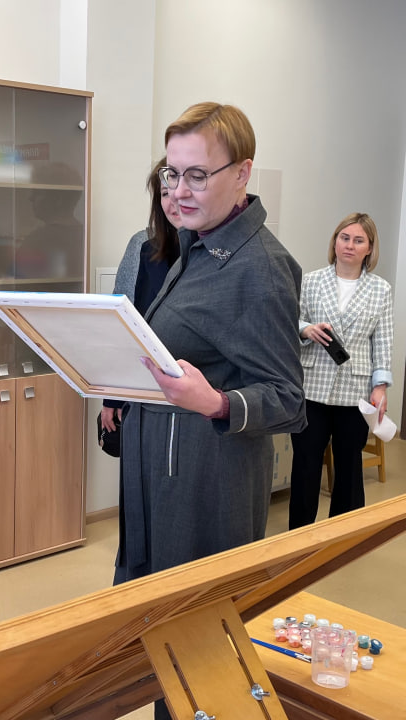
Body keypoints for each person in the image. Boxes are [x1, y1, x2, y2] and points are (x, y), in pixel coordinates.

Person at [122, 101, 306, 584]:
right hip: (158, 465)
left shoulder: (260, 268)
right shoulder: (196, 244)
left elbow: (289, 401)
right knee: (147, 605)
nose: (179, 191)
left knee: (191, 610)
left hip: (206, 481)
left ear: (242, 173)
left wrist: (216, 402)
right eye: (172, 173)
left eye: (197, 176)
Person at [288, 212, 393, 529]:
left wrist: (380, 387)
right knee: (306, 464)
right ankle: (299, 536)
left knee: (349, 466)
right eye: (344, 238)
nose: (349, 245)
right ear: (335, 242)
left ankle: (343, 535)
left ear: (369, 248)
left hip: (355, 391)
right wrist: (305, 329)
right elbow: (289, 320)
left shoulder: (380, 290)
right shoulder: (311, 281)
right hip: (313, 386)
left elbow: (383, 341)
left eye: (358, 240)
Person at [98, 156, 182, 439]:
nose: (175, 202)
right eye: (165, 194)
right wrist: (113, 395)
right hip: (143, 390)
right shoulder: (143, 245)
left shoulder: (217, 255)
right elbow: (120, 323)